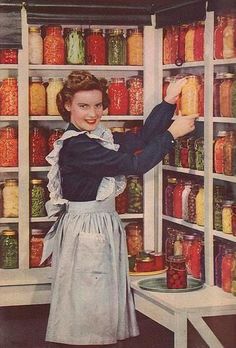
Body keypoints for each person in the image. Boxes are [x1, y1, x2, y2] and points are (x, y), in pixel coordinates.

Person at [41, 71, 197, 347]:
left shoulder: (96, 136)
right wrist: (172, 134)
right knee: (89, 307)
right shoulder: (77, 146)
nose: (93, 113)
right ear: (67, 105)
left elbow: (141, 140)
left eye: (98, 106)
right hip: (87, 229)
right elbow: (135, 165)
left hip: (99, 224)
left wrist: (168, 102)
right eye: (83, 106)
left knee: (100, 306)